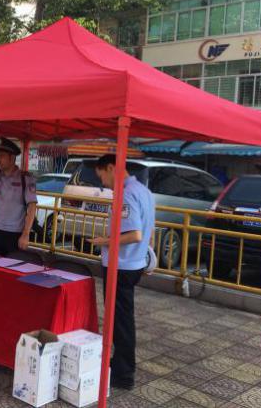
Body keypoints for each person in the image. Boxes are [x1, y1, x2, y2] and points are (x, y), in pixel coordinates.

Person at [88, 154, 155, 391]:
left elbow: (134, 234)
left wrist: (104, 241)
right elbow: (149, 229)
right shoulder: (144, 190)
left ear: (110, 168)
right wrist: (148, 256)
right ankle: (120, 364)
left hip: (122, 265)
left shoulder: (125, 194)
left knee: (121, 321)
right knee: (122, 319)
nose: (103, 183)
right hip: (134, 263)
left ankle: (123, 374)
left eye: (102, 177)